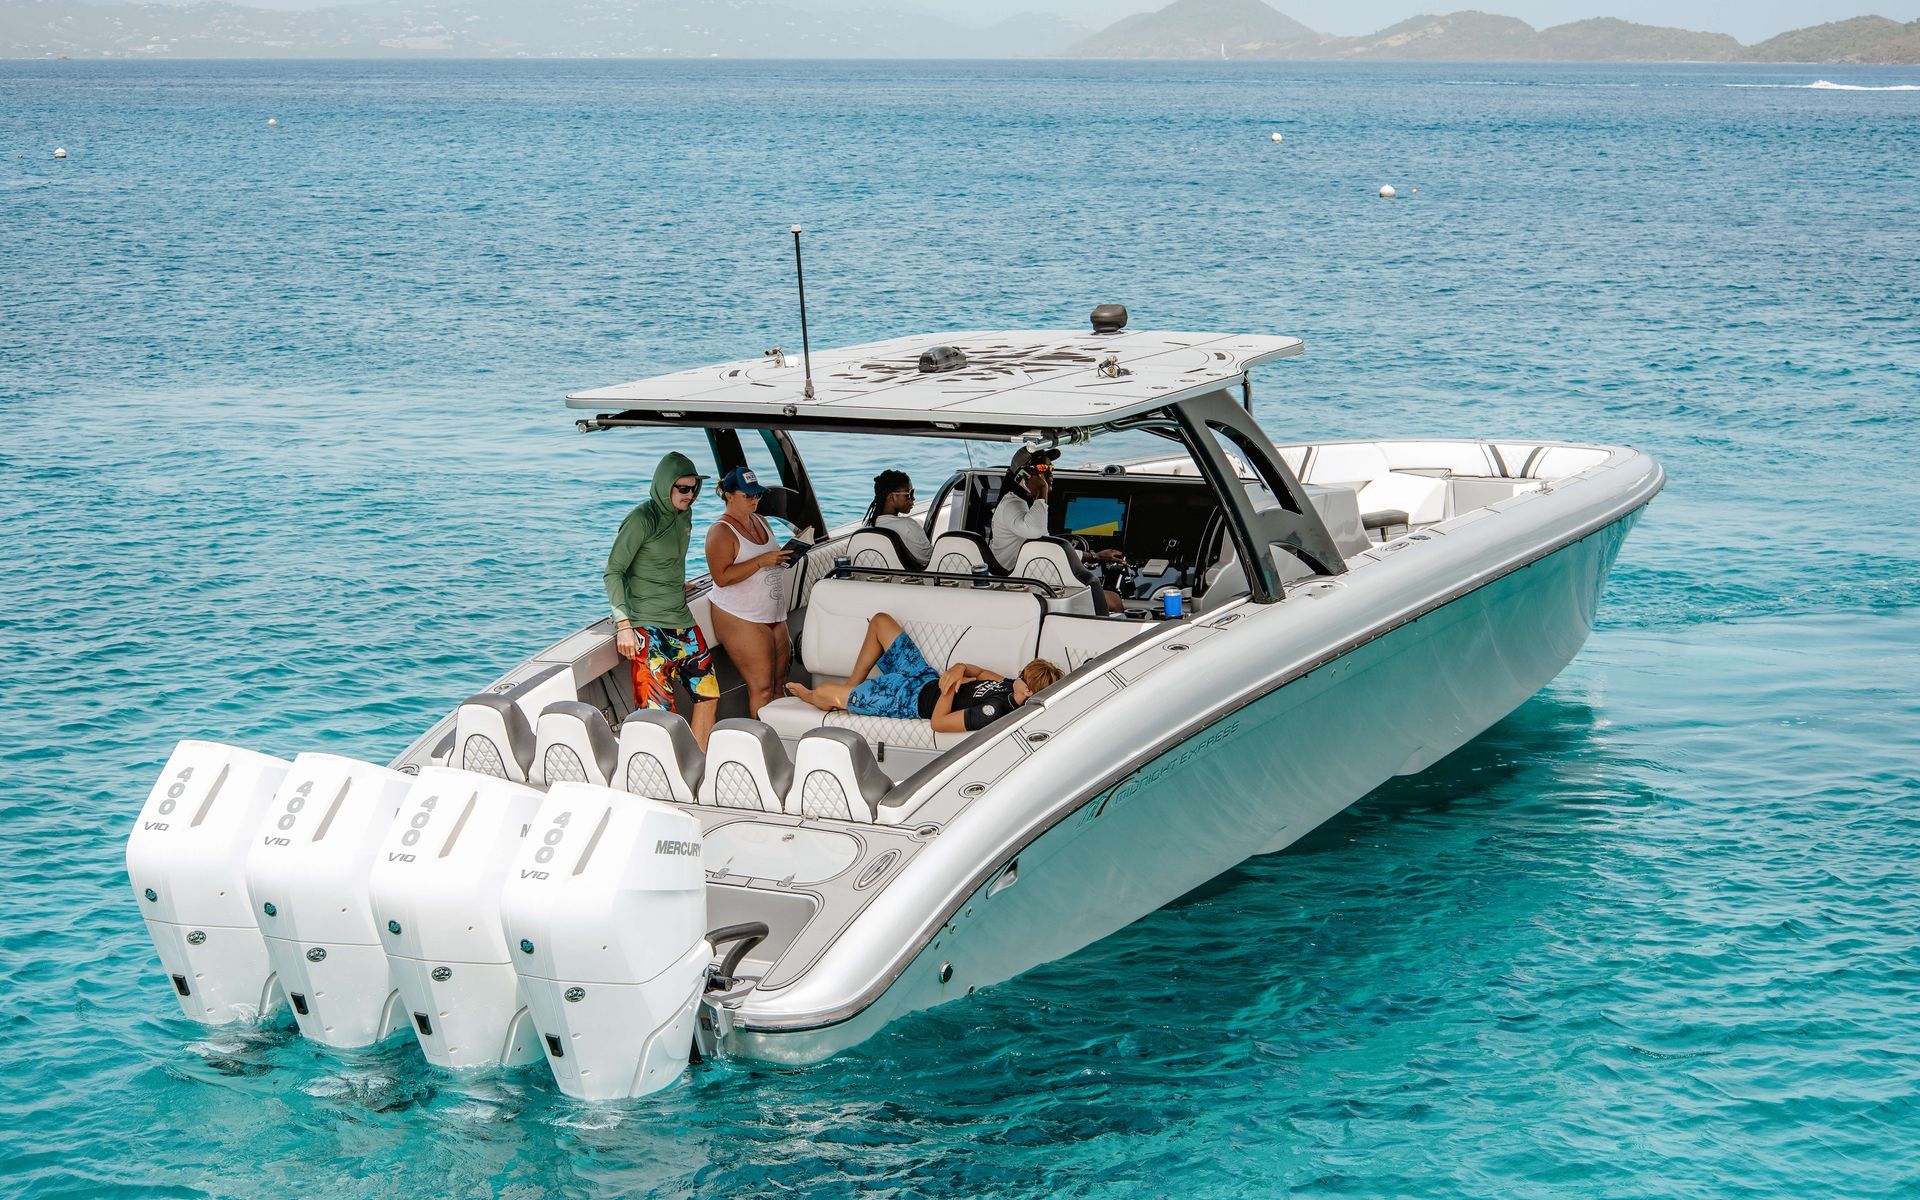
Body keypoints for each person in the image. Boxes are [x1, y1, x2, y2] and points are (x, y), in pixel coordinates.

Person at [605, 451, 719, 749]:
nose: (690, 495)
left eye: (694, 488)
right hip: (648, 628)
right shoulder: (642, 519)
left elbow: (663, 560)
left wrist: (673, 583)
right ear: (664, 486)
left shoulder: (684, 515)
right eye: (683, 488)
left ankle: (698, 762)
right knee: (657, 715)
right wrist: (624, 625)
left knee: (708, 694)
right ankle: (664, 776)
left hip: (682, 621)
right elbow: (614, 572)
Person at [784, 612, 1063, 734]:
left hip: (907, 702)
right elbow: (976, 671)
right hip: (923, 676)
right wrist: (957, 668)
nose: (1017, 675)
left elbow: (939, 723)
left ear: (1028, 691)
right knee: (881, 621)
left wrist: (950, 688)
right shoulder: (1007, 685)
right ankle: (854, 688)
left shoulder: (993, 710)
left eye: (1022, 675)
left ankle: (812, 697)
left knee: (823, 693)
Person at [704, 466, 794, 718]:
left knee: (779, 686)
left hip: (774, 614)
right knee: (763, 689)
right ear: (729, 495)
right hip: (741, 616)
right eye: (748, 495)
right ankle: (762, 748)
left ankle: (780, 740)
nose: (755, 500)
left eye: (757, 495)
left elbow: (767, 559)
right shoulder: (720, 531)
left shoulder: (761, 520)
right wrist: (762, 561)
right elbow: (721, 578)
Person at [990, 447, 1125, 613]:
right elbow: (1037, 533)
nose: (1050, 475)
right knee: (1113, 600)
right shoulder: (1012, 505)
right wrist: (1043, 490)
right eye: (1043, 470)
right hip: (1019, 582)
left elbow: (1048, 548)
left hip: (1028, 577)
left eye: (1051, 469)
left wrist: (1095, 556)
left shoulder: (1023, 504)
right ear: (1022, 475)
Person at [864, 469, 931, 569]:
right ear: (892, 497)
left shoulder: (868, 525)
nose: (913, 498)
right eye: (909, 493)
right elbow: (929, 559)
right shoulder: (909, 525)